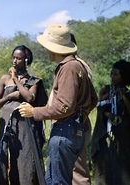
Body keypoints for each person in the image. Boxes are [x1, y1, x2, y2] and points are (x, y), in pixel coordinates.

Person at [18, 24, 97, 185]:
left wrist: (34, 112)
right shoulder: (77, 65)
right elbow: (93, 100)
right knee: (55, 179)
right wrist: (80, 116)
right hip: (72, 129)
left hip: (64, 130)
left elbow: (64, 106)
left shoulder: (68, 67)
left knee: (57, 181)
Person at [0, 45, 48, 185]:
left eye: (19, 58)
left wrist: (17, 80)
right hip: (6, 125)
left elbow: (29, 98)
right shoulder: (5, 79)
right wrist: (10, 96)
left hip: (25, 126)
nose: (15, 61)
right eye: (13, 57)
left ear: (26, 60)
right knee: (3, 156)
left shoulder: (33, 81)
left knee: (25, 159)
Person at [91, 59, 130, 185]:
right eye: (111, 73)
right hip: (105, 139)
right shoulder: (105, 90)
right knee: (105, 173)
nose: (112, 77)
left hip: (125, 142)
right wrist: (107, 114)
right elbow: (99, 109)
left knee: (125, 173)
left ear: (124, 77)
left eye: (116, 74)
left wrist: (124, 98)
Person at [71, 33, 94, 185]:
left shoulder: (76, 66)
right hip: (74, 125)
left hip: (75, 126)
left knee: (77, 172)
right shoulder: (73, 65)